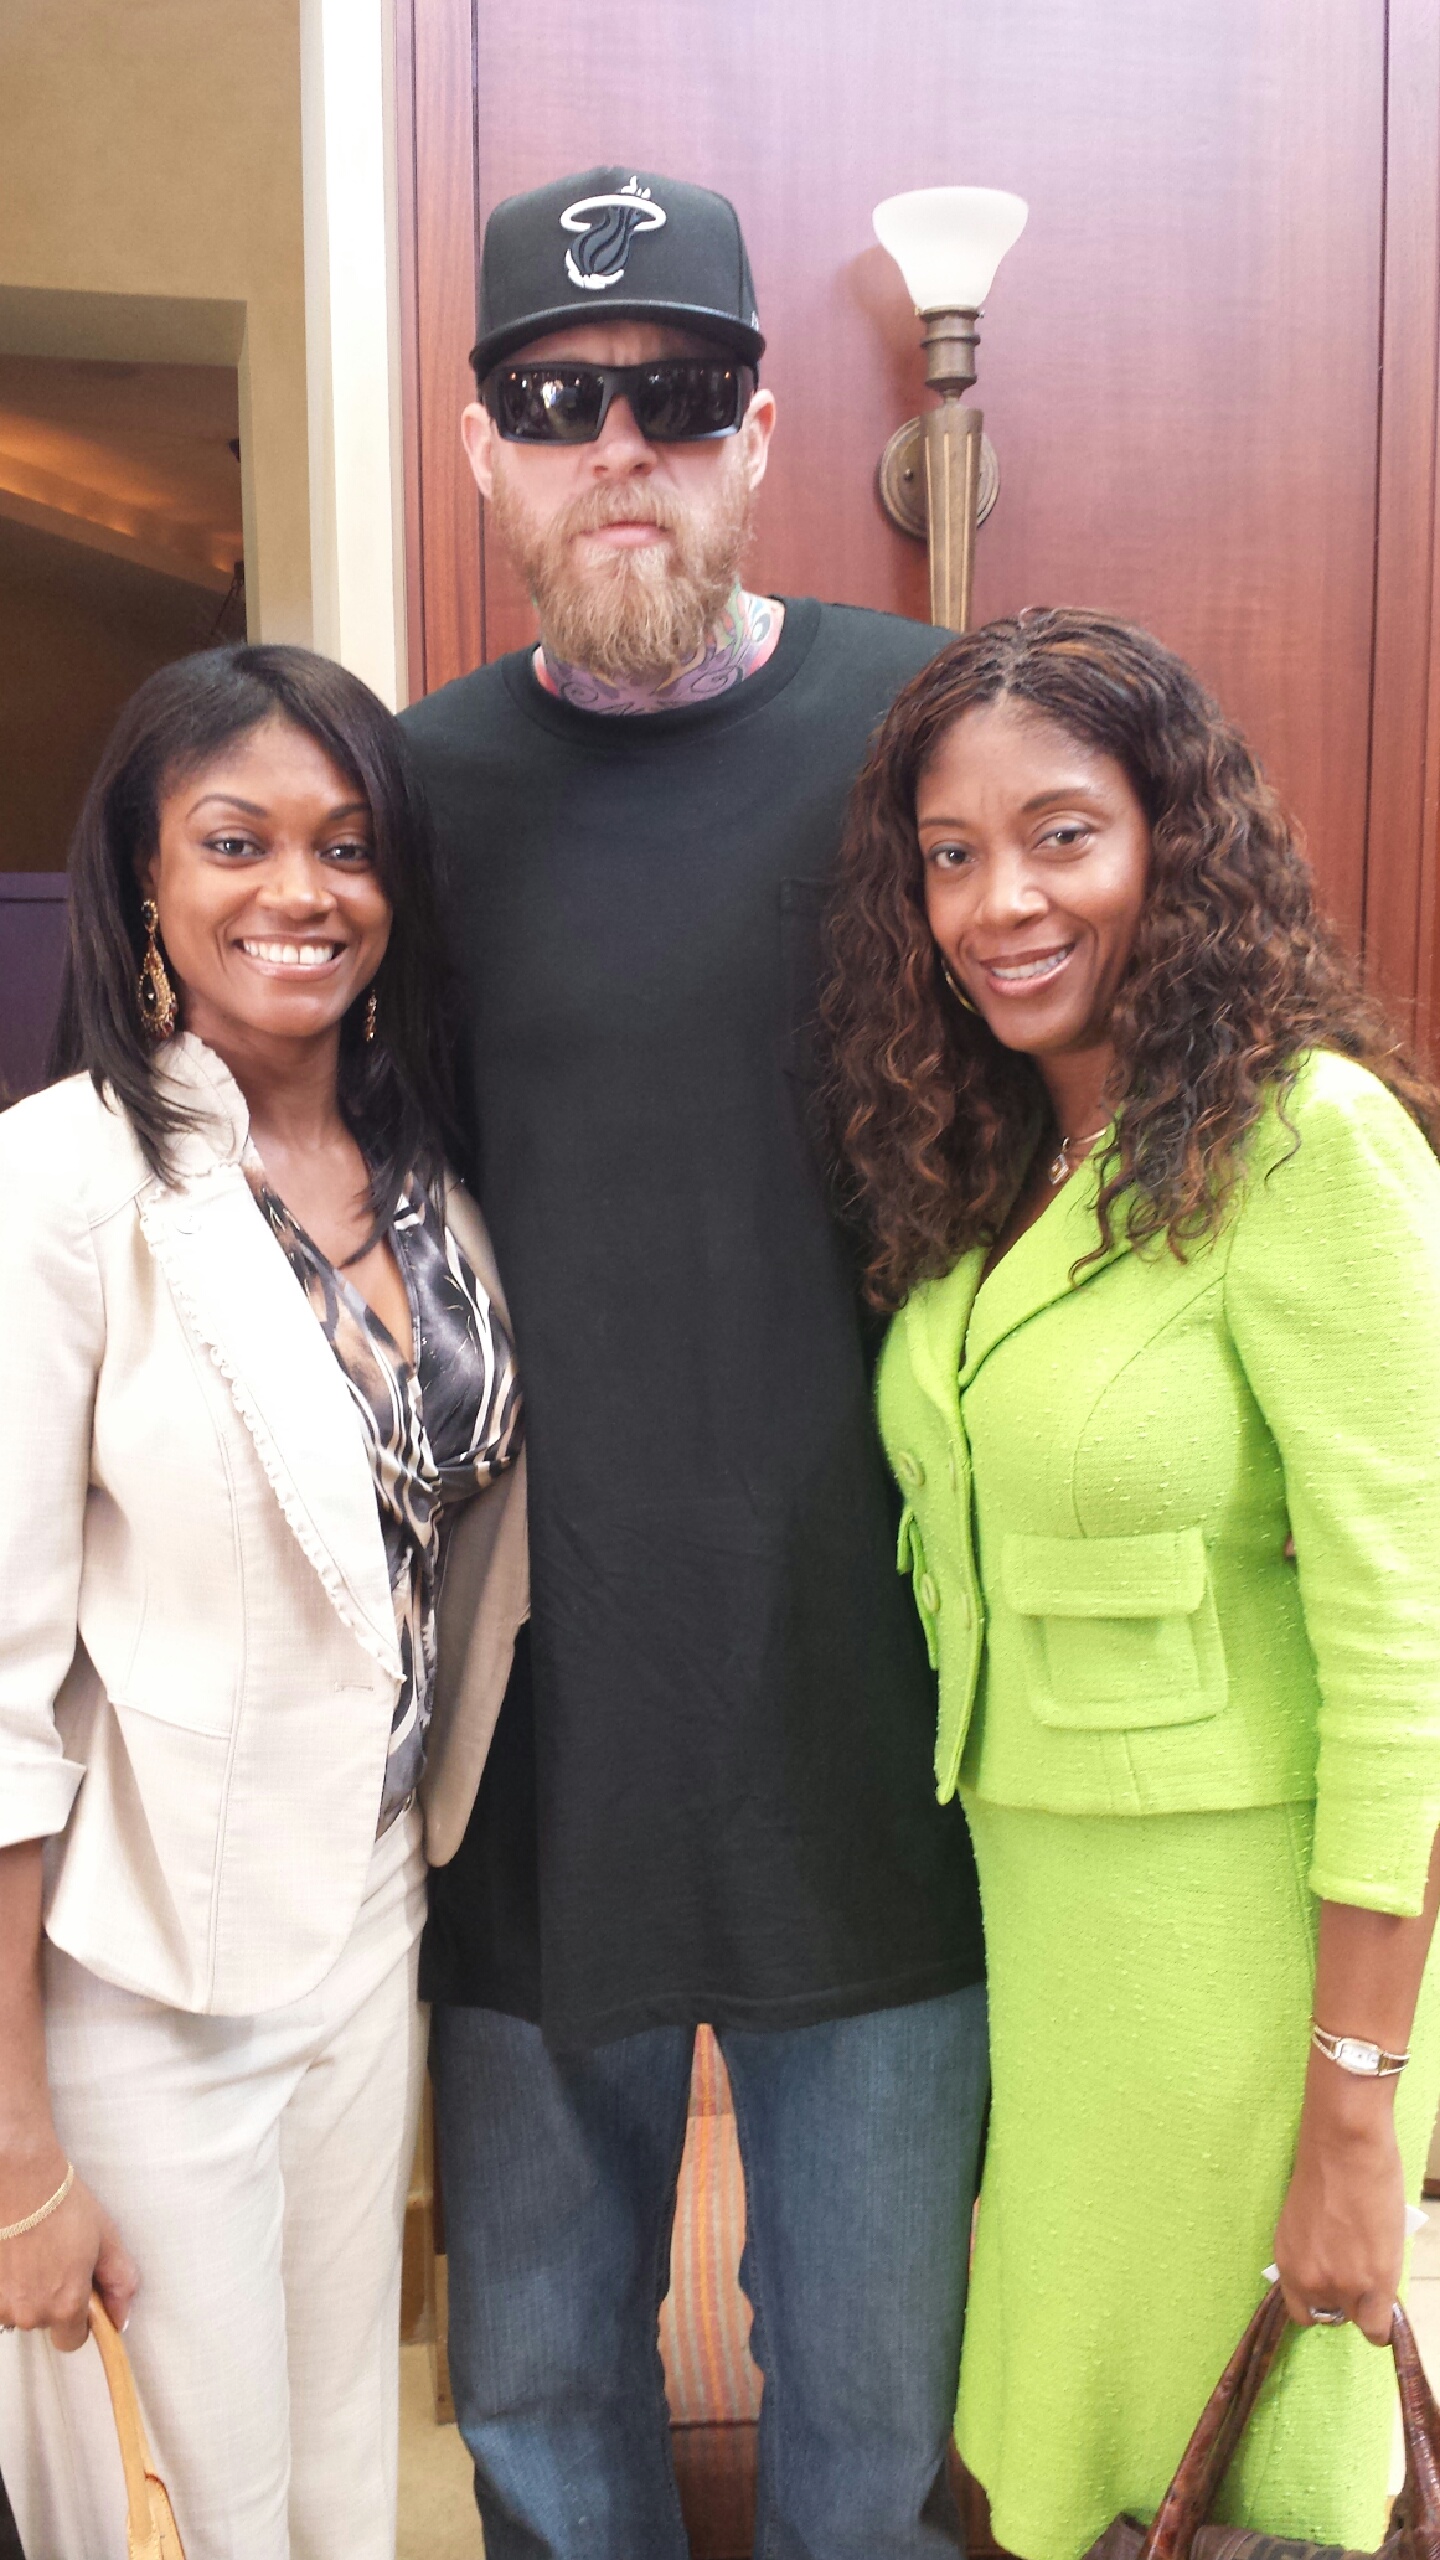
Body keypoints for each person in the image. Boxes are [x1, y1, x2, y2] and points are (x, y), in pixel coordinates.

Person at [399, 166, 988, 2560]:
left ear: (759, 432)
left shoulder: (924, 736)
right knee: (541, 2385)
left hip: (876, 1724)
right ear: (484, 450)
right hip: (538, 1737)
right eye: (561, 402)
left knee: (873, 2400)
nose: (619, 446)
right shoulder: (408, 800)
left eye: (676, 391)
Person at [823, 605, 1440, 2560]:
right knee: (1069, 2457)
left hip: (1239, 1962)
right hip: (1043, 1928)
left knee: (1237, 2475)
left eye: (1062, 834)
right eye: (952, 854)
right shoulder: (995, 1156)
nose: (1000, 901)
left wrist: (1357, 2107)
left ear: (1178, 838)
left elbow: (1408, 1645)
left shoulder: (1308, 1141)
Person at [0, 644, 527, 2560]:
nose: (301, 891)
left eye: (347, 845)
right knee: (191, 2515)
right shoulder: (62, 1184)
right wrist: (13, 2145)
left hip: (372, 1909)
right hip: (146, 1976)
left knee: (340, 2490)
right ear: (145, 877)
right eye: (237, 842)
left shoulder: (426, 1157)